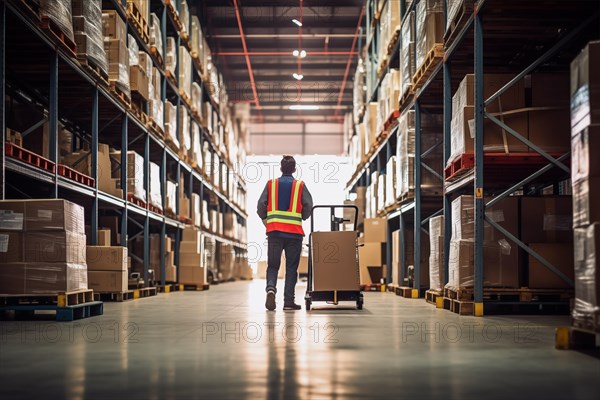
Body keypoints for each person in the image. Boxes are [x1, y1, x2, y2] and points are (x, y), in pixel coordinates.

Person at [257, 155, 313, 311]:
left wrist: (266, 220)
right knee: (291, 268)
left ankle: (270, 289)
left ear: (281, 168)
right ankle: (288, 302)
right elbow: (308, 206)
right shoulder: (300, 186)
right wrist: (302, 216)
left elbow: (261, 205)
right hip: (294, 234)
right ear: (294, 169)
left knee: (273, 265)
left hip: (274, 233)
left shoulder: (271, 184)